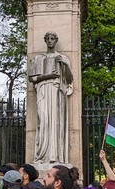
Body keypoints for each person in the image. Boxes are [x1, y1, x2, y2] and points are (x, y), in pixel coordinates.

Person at [29, 31, 73, 164]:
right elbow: (32, 78)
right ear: (45, 40)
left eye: (52, 38)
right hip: (42, 91)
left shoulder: (62, 58)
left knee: (55, 123)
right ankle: (42, 155)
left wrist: (65, 65)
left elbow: (69, 79)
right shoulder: (39, 58)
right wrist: (48, 76)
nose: (50, 41)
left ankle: (55, 156)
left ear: (56, 40)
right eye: (47, 38)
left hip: (56, 92)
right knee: (43, 122)